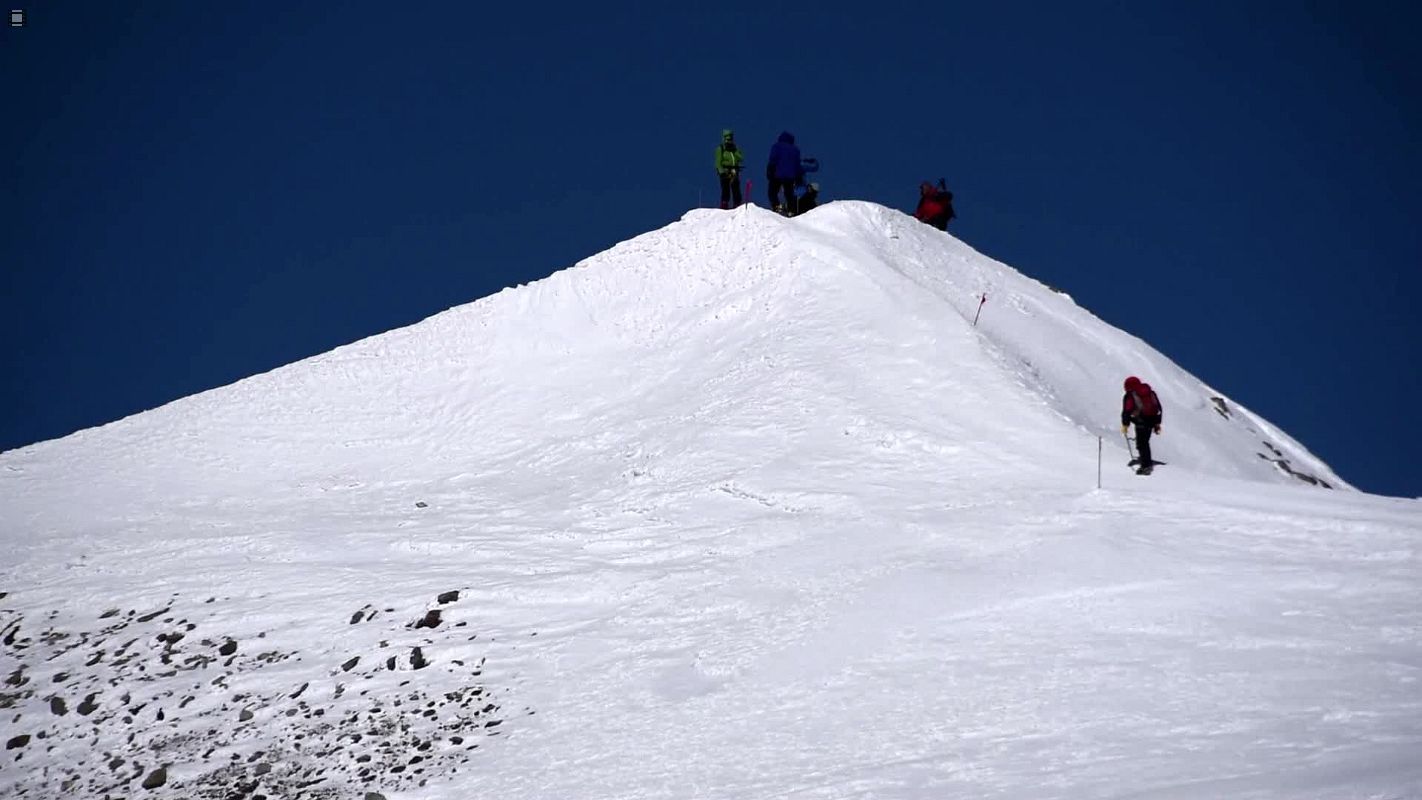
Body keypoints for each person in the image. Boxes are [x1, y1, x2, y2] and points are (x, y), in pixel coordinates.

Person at [1121, 376, 1164, 475]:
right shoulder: (1149, 392)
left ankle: (1146, 466)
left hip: (1141, 421)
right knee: (1144, 442)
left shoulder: (1130, 395)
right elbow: (1158, 408)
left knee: (1142, 444)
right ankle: (1145, 460)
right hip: (1152, 421)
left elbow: (1126, 411)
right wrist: (1157, 424)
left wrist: (1125, 424)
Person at [766, 131, 804, 215]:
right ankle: (791, 210)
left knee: (772, 192)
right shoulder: (795, 150)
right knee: (789, 193)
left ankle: (777, 206)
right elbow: (797, 165)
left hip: (777, 174)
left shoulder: (776, 146)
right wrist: (799, 177)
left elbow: (773, 159)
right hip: (790, 176)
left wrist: (769, 171)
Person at [714, 129, 744, 209]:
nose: (729, 141)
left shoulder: (733, 149)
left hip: (734, 170)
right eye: (727, 139)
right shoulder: (721, 149)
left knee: (735, 187)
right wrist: (721, 172)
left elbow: (740, 158)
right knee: (725, 188)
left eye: (730, 139)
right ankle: (724, 203)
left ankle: (737, 203)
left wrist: (735, 150)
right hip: (725, 170)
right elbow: (718, 161)